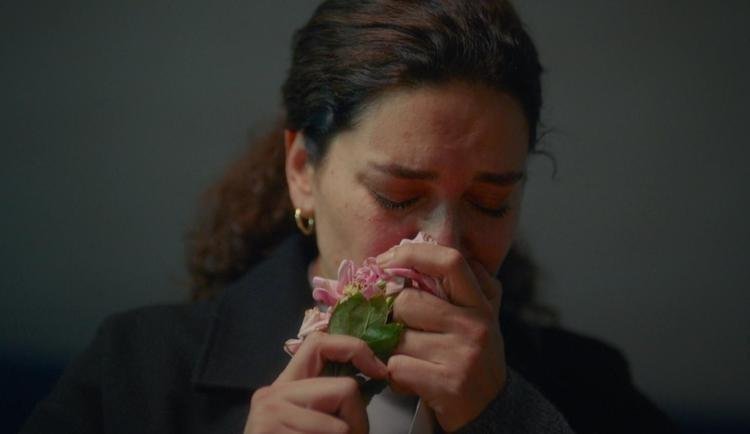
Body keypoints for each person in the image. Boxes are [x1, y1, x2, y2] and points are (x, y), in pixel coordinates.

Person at [22, 1, 678, 433]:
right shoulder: (134, 374)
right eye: (398, 195)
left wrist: (504, 418)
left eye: (489, 202)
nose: (445, 247)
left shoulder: (590, 390)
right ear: (301, 172)